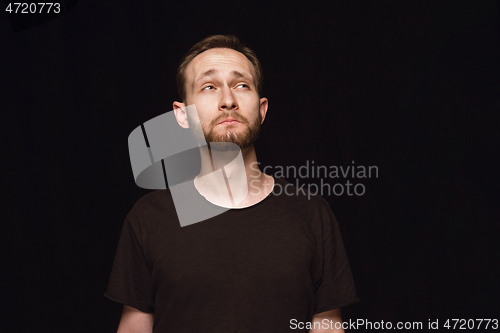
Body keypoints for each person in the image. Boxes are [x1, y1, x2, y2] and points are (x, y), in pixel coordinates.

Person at [105, 35, 359, 332]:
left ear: (262, 110)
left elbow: (327, 326)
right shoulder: (147, 218)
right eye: (209, 87)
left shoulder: (312, 213)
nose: (228, 100)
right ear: (182, 115)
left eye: (241, 85)